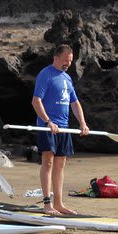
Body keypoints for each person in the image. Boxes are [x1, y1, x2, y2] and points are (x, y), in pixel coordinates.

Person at [31, 44, 90, 215]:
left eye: (70, 61)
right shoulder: (46, 74)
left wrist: (83, 123)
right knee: (48, 162)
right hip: (47, 126)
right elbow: (36, 101)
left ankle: (59, 203)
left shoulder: (67, 78)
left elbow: (74, 103)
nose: (68, 64)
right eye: (65, 60)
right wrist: (48, 121)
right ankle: (47, 203)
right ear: (55, 58)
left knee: (60, 165)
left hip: (64, 128)